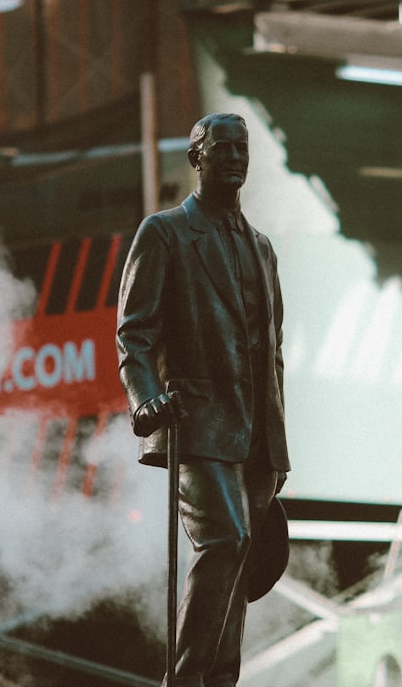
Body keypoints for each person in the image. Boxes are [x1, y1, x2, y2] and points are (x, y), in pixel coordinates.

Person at [116, 113, 290, 687]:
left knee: (240, 566)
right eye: (223, 148)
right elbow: (133, 334)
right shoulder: (165, 233)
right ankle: (186, 682)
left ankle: (219, 682)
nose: (236, 158)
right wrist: (143, 401)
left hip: (257, 438)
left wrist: (277, 441)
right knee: (226, 540)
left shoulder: (262, 249)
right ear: (197, 157)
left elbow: (273, 352)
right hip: (197, 423)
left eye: (243, 149)